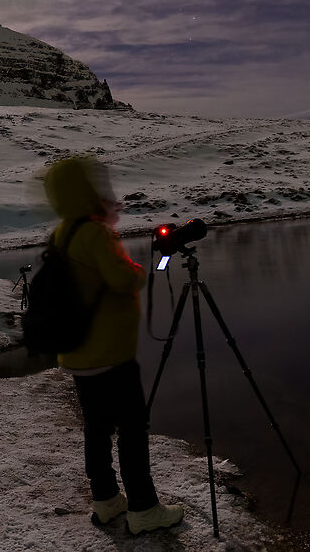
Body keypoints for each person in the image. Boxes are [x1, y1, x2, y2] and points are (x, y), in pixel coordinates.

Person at [43, 155, 184, 535]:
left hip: (78, 355)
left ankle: (106, 501)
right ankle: (143, 508)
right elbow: (124, 280)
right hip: (111, 356)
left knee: (97, 429)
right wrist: (142, 268)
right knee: (133, 430)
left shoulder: (63, 232)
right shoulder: (95, 233)